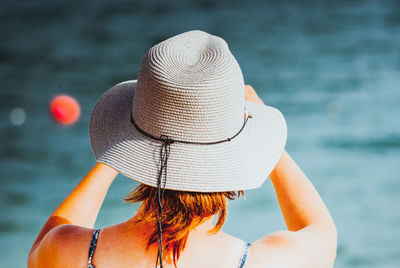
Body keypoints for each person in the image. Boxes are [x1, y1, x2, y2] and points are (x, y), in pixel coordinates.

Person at [28, 30, 337, 268]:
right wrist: (264, 139)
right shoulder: (260, 262)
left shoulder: (71, 251)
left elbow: (40, 249)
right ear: (239, 151)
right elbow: (321, 234)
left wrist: (121, 145)